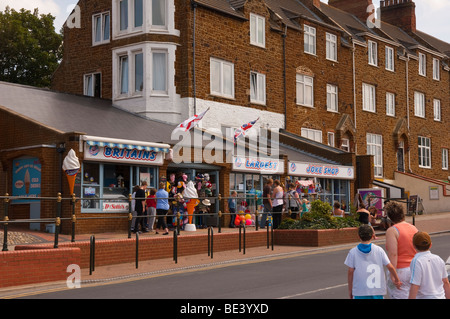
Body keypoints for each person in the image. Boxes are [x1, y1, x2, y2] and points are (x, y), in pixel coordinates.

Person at [344, 224, 401, 299]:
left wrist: (350, 290)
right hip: (377, 291)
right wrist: (397, 280)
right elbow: (390, 266)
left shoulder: (353, 252)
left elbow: (350, 271)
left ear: (358, 236)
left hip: (360, 291)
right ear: (372, 236)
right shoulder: (379, 250)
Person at [385, 201, 418, 299]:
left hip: (400, 270)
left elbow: (393, 254)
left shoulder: (392, 230)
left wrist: (393, 273)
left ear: (390, 216)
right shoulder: (414, 228)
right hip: (414, 269)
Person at [408, 231, 450, 299]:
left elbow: (415, 285)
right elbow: (446, 282)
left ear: (414, 246)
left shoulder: (417, 261)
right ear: (430, 245)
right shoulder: (438, 259)